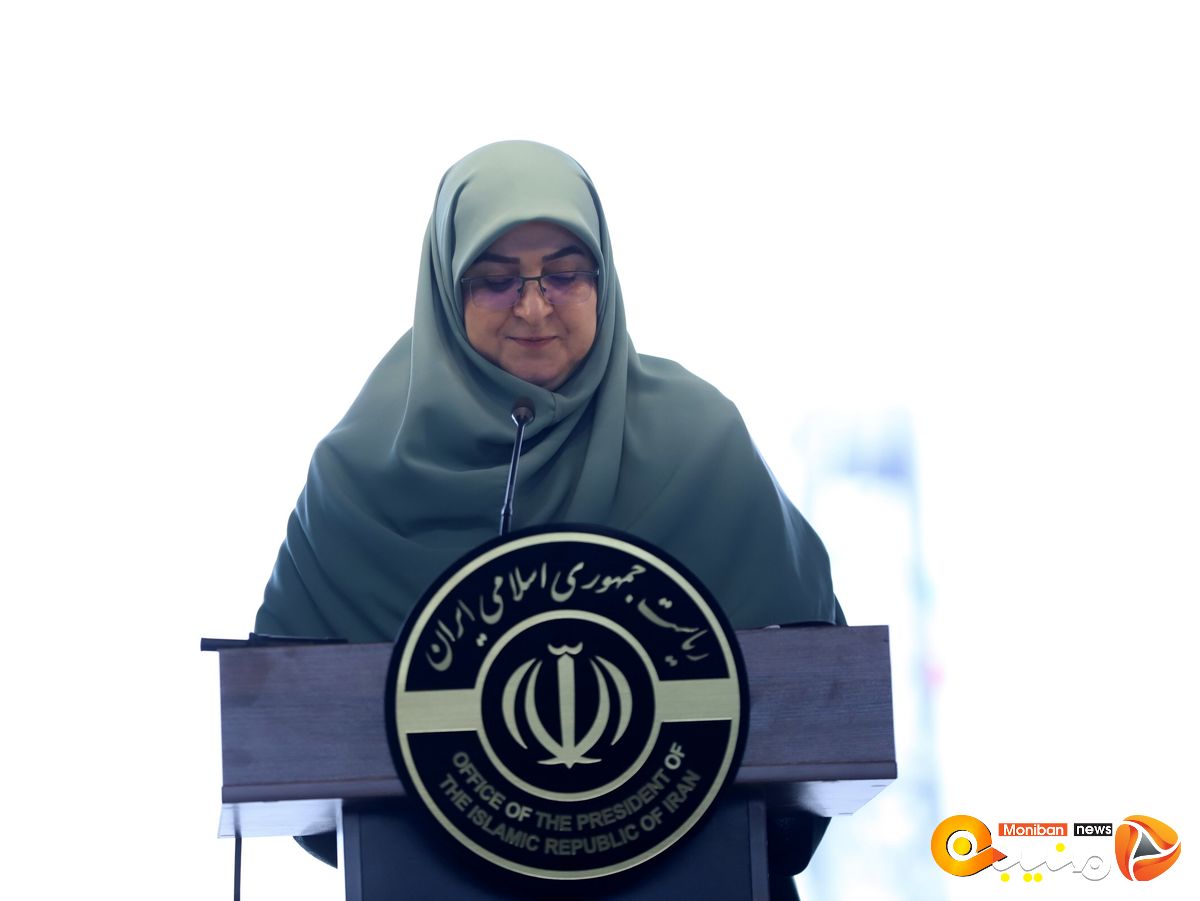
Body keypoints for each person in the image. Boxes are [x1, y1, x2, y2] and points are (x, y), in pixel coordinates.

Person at [255, 140, 845, 896]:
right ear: (446, 288)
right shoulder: (359, 472)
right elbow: (288, 732)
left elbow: (819, 699)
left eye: (565, 274)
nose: (534, 307)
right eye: (495, 281)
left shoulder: (699, 441)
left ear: (604, 279)